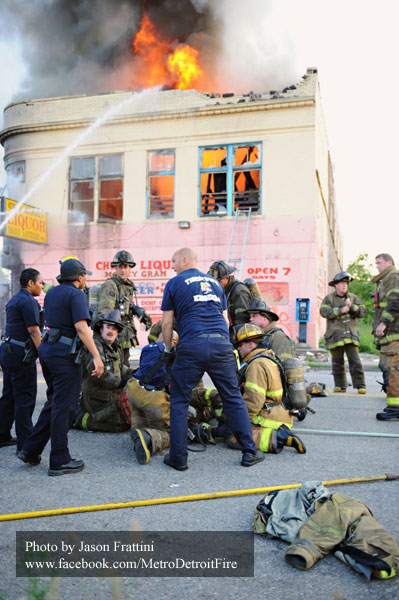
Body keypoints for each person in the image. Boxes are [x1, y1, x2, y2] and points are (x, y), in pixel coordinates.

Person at [161, 247, 264, 470]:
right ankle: (249, 452)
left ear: (185, 260)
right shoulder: (216, 284)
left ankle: (178, 459)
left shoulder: (175, 283)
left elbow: (167, 324)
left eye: (173, 261)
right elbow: (226, 322)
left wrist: (168, 350)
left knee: (179, 401)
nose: (171, 266)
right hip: (220, 345)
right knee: (233, 397)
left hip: (192, 346)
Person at [17, 259, 104, 476]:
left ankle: (30, 449)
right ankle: (59, 459)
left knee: (55, 402)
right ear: (80, 277)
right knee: (64, 407)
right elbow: (82, 328)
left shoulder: (53, 293)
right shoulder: (76, 295)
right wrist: (97, 357)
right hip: (64, 356)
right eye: (85, 276)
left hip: (48, 351)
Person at [233, 323, 306, 454]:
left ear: (250, 344)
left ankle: (279, 438)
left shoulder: (257, 365)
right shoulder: (269, 357)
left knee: (234, 437)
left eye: (240, 344)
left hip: (269, 418)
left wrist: (240, 423)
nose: (238, 348)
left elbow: (253, 400)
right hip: (280, 414)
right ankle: (280, 434)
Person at [0, 268, 43, 451]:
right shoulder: (28, 301)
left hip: (8, 352)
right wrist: (44, 352)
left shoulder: (14, 299)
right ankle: (26, 445)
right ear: (30, 283)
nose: (42, 287)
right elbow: (33, 330)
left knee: (9, 396)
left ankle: (2, 435)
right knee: (24, 398)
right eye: (40, 283)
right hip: (20, 356)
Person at [74, 310, 133, 432]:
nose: (110, 331)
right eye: (108, 327)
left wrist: (132, 373)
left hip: (111, 396)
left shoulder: (114, 347)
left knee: (132, 418)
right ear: (101, 329)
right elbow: (99, 374)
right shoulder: (95, 346)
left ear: (117, 332)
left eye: (114, 328)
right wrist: (120, 383)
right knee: (121, 425)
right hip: (97, 400)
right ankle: (81, 419)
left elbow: (120, 367)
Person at [97, 250, 152, 366]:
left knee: (124, 366)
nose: (123, 270)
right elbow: (106, 312)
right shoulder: (110, 285)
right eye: (120, 267)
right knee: (116, 368)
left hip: (126, 335)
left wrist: (137, 312)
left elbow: (124, 306)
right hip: (115, 336)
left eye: (126, 267)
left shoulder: (127, 286)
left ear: (130, 268)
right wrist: (110, 337)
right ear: (115, 268)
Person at [320, 272, 366, 394]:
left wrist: (352, 308)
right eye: (341, 283)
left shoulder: (353, 298)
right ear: (335, 285)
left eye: (346, 283)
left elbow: (362, 312)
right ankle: (340, 385)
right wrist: (340, 310)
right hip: (335, 336)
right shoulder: (329, 298)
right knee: (337, 362)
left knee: (355, 361)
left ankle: (360, 385)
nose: (344, 285)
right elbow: (323, 311)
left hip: (351, 336)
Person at [372, 254, 399, 420]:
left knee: (394, 370)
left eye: (379, 263)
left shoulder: (393, 276)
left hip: (393, 334)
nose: (377, 266)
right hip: (388, 336)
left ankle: (395, 407)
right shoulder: (384, 280)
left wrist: (383, 323)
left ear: (389, 262)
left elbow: (395, 302)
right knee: (388, 369)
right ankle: (393, 406)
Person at [207, 261, 252, 340]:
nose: (214, 284)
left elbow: (242, 321)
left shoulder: (239, 292)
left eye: (218, 281)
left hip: (238, 336)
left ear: (226, 278)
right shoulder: (222, 290)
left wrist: (232, 341)